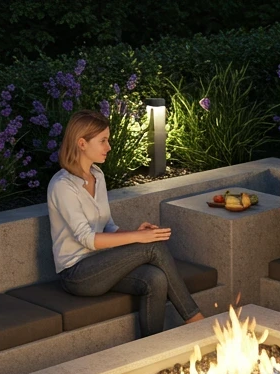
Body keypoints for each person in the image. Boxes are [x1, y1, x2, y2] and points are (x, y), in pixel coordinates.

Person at [47, 110, 204, 336]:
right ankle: (195, 319)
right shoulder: (63, 186)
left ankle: (151, 348)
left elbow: (107, 226)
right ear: (82, 143)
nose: (108, 147)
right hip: (77, 274)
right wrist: (140, 239)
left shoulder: (97, 176)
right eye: (102, 141)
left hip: (102, 264)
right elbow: (87, 239)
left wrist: (134, 232)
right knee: (152, 246)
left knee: (156, 279)